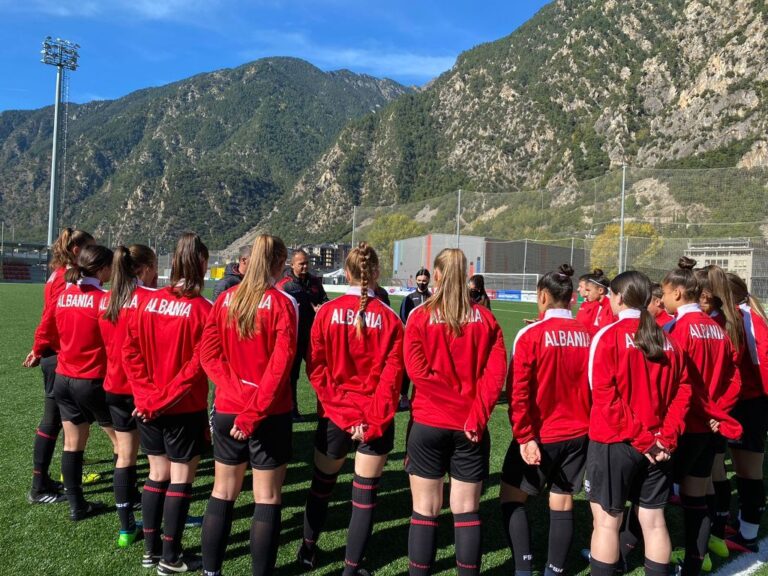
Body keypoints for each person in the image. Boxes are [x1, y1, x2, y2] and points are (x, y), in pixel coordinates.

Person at [298, 242, 404, 575]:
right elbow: (392, 382)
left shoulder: (326, 313)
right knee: (364, 496)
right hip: (375, 420)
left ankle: (307, 550)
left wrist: (344, 416)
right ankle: (351, 567)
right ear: (376, 274)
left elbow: (316, 370)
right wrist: (369, 422)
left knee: (321, 486)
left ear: (346, 273)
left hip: (335, 417)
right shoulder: (389, 319)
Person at [403, 248, 507, 576]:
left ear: (435, 276)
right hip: (470, 427)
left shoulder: (420, 317)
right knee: (466, 511)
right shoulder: (486, 319)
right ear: (464, 277)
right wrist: (473, 414)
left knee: (424, 510)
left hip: (429, 423)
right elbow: (496, 375)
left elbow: (417, 371)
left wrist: (455, 409)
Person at [199, 234, 297, 576]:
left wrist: (236, 395)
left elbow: (208, 356)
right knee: (267, 498)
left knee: (223, 491)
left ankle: (210, 571)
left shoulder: (225, 299)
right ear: (279, 263)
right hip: (267, 413)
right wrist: (252, 406)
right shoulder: (282, 304)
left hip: (228, 410)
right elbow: (280, 367)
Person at [586, 270, 691, 576]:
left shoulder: (608, 336)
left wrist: (645, 439)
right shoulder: (668, 340)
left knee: (607, 522)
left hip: (617, 443)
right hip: (658, 446)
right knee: (654, 520)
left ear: (618, 297)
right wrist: (665, 437)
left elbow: (604, 398)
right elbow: (684, 392)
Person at [123, 232, 213, 574]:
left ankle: (151, 550)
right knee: (179, 480)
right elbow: (195, 367)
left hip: (146, 408)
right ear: (202, 264)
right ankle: (171, 557)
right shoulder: (204, 311)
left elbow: (129, 352)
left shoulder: (143, 302)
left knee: (155, 475)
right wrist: (161, 399)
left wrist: (146, 397)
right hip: (182, 408)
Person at [502, 264, 591, 576]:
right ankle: (554, 570)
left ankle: (523, 568)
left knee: (512, 496)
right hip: (580, 434)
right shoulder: (590, 336)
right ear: (571, 300)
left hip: (542, 434)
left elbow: (517, 392)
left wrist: (525, 436)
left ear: (542, 296)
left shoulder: (530, 335)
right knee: (563, 501)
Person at [661, 257, 742, 576]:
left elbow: (673, 384)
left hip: (683, 425)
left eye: (665, 292)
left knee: (652, 497)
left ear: (679, 293)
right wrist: (719, 411)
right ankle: (695, 563)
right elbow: (734, 377)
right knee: (696, 494)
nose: (663, 298)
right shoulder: (717, 328)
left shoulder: (677, 329)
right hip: (710, 426)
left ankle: (629, 555)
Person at [25, 244, 118, 520]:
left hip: (64, 379)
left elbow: (46, 324)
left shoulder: (64, 294)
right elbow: (113, 344)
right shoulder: (104, 299)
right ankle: (129, 498)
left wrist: (38, 348)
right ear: (102, 270)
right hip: (91, 380)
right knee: (123, 442)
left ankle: (78, 505)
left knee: (73, 442)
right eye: (111, 267)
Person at [24, 227, 94, 504]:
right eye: (91, 248)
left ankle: (51, 480)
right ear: (77, 251)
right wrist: (40, 347)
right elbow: (49, 318)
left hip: (57, 354)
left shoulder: (62, 274)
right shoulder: (65, 278)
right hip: (59, 356)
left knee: (64, 421)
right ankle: (39, 486)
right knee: (54, 421)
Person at [99, 244, 158, 547]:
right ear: (144, 268)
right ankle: (159, 527)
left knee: (125, 456)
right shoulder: (150, 301)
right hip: (143, 391)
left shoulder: (108, 302)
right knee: (162, 466)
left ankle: (126, 528)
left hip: (113, 388)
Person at [720, 273, 768, 554]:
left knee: (750, 472)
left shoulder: (747, 319)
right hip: (743, 403)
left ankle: (748, 535)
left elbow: (762, 365)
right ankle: (742, 524)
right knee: (742, 469)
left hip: (751, 404)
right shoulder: (740, 316)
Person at [277, 249, 329, 421]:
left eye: (307, 262)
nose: (305, 266)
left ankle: (327, 408)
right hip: (294, 337)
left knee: (322, 371)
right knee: (292, 374)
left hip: (314, 336)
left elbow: (325, 300)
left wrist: (322, 307)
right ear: (292, 265)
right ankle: (292, 409)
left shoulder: (314, 281)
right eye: (301, 263)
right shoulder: (285, 284)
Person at [398, 268, 431, 411]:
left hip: (429, 340)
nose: (422, 283)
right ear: (416, 280)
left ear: (429, 280)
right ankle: (404, 396)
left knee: (426, 368)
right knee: (407, 368)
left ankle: (424, 396)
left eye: (424, 280)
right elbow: (403, 318)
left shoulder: (433, 298)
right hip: (412, 340)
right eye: (419, 280)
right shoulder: (409, 298)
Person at [576, 269, 613, 335]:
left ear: (600, 290)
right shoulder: (590, 303)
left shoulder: (610, 307)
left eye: (588, 290)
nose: (587, 293)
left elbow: (604, 333)